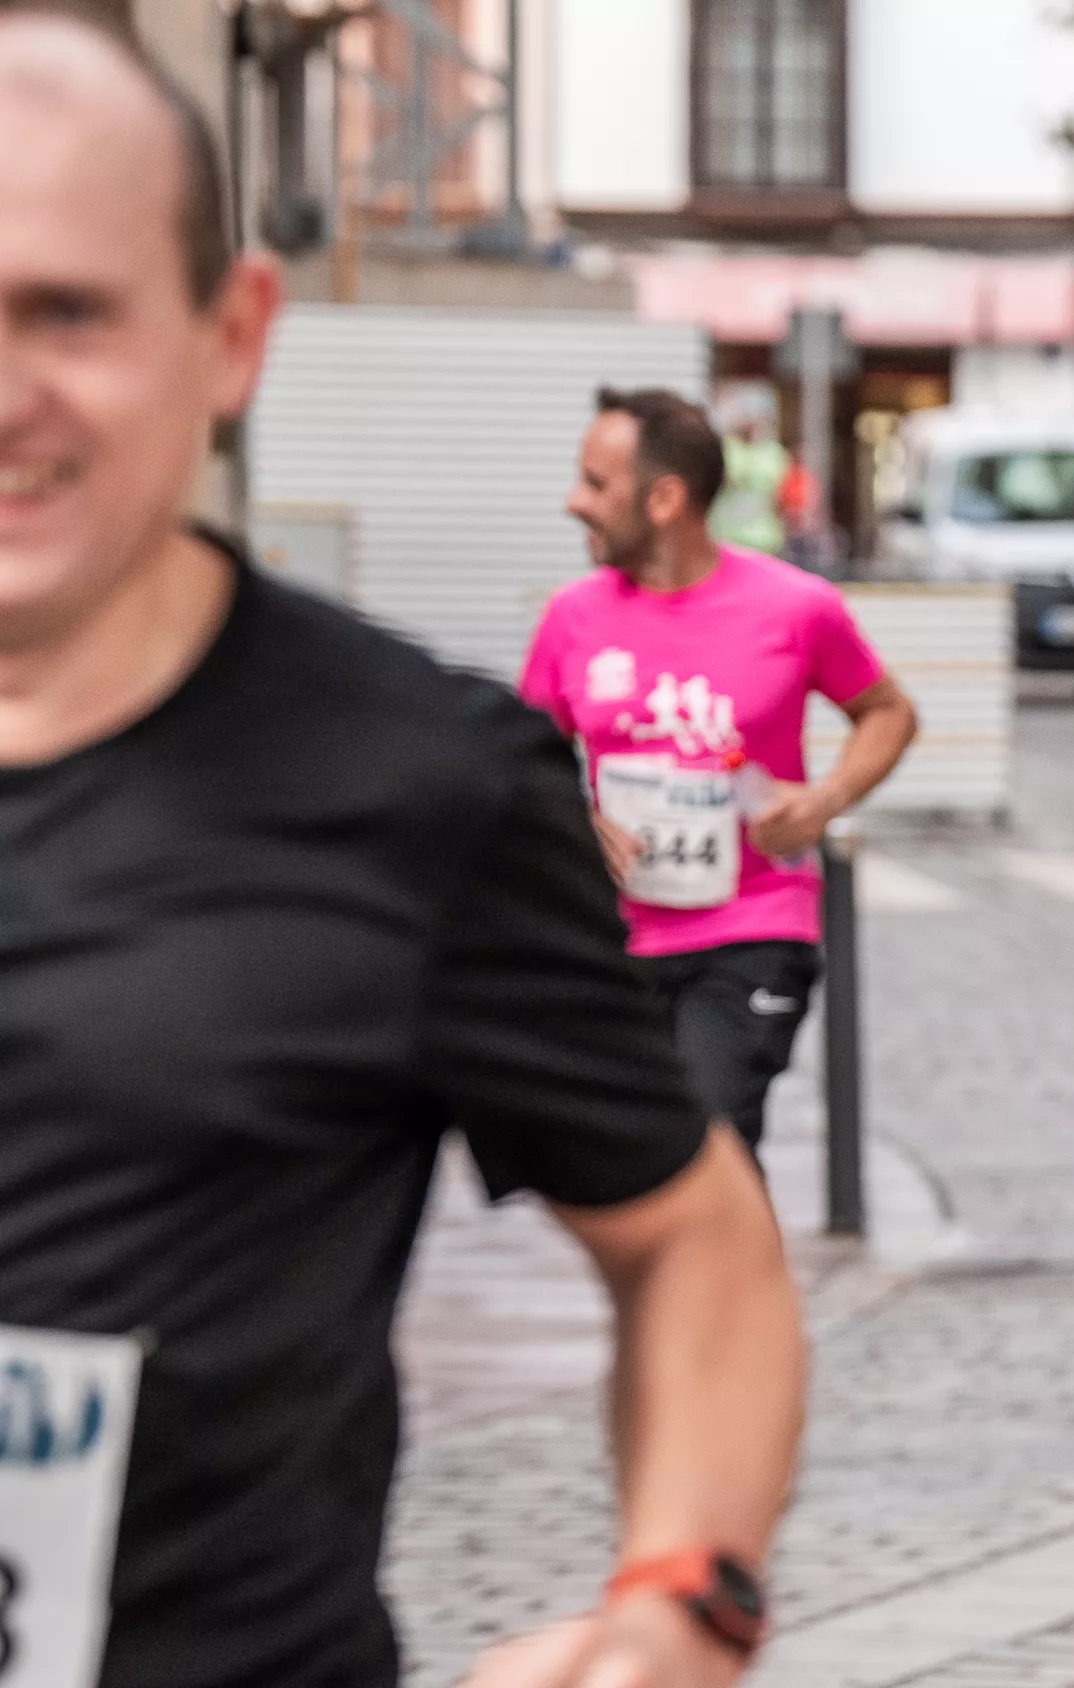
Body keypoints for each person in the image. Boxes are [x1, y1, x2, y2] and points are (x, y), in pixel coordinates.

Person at [0, 12, 805, 1687]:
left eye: (62, 313)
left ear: (231, 336)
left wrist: (678, 1599)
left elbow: (695, 1241)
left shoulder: (414, 786)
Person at [522, 388, 920, 1167]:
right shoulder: (572, 618)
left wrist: (827, 797)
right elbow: (522, 761)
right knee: (643, 1170)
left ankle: (728, 1285)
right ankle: (738, 1291)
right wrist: (571, 818)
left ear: (665, 498)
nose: (574, 504)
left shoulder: (795, 607)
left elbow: (888, 712)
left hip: (753, 928)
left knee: (713, 1145)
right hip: (615, 940)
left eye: (595, 484)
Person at [710, 391, 791, 556]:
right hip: (727, 537)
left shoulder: (774, 453)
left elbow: (779, 497)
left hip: (765, 539)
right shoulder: (726, 448)